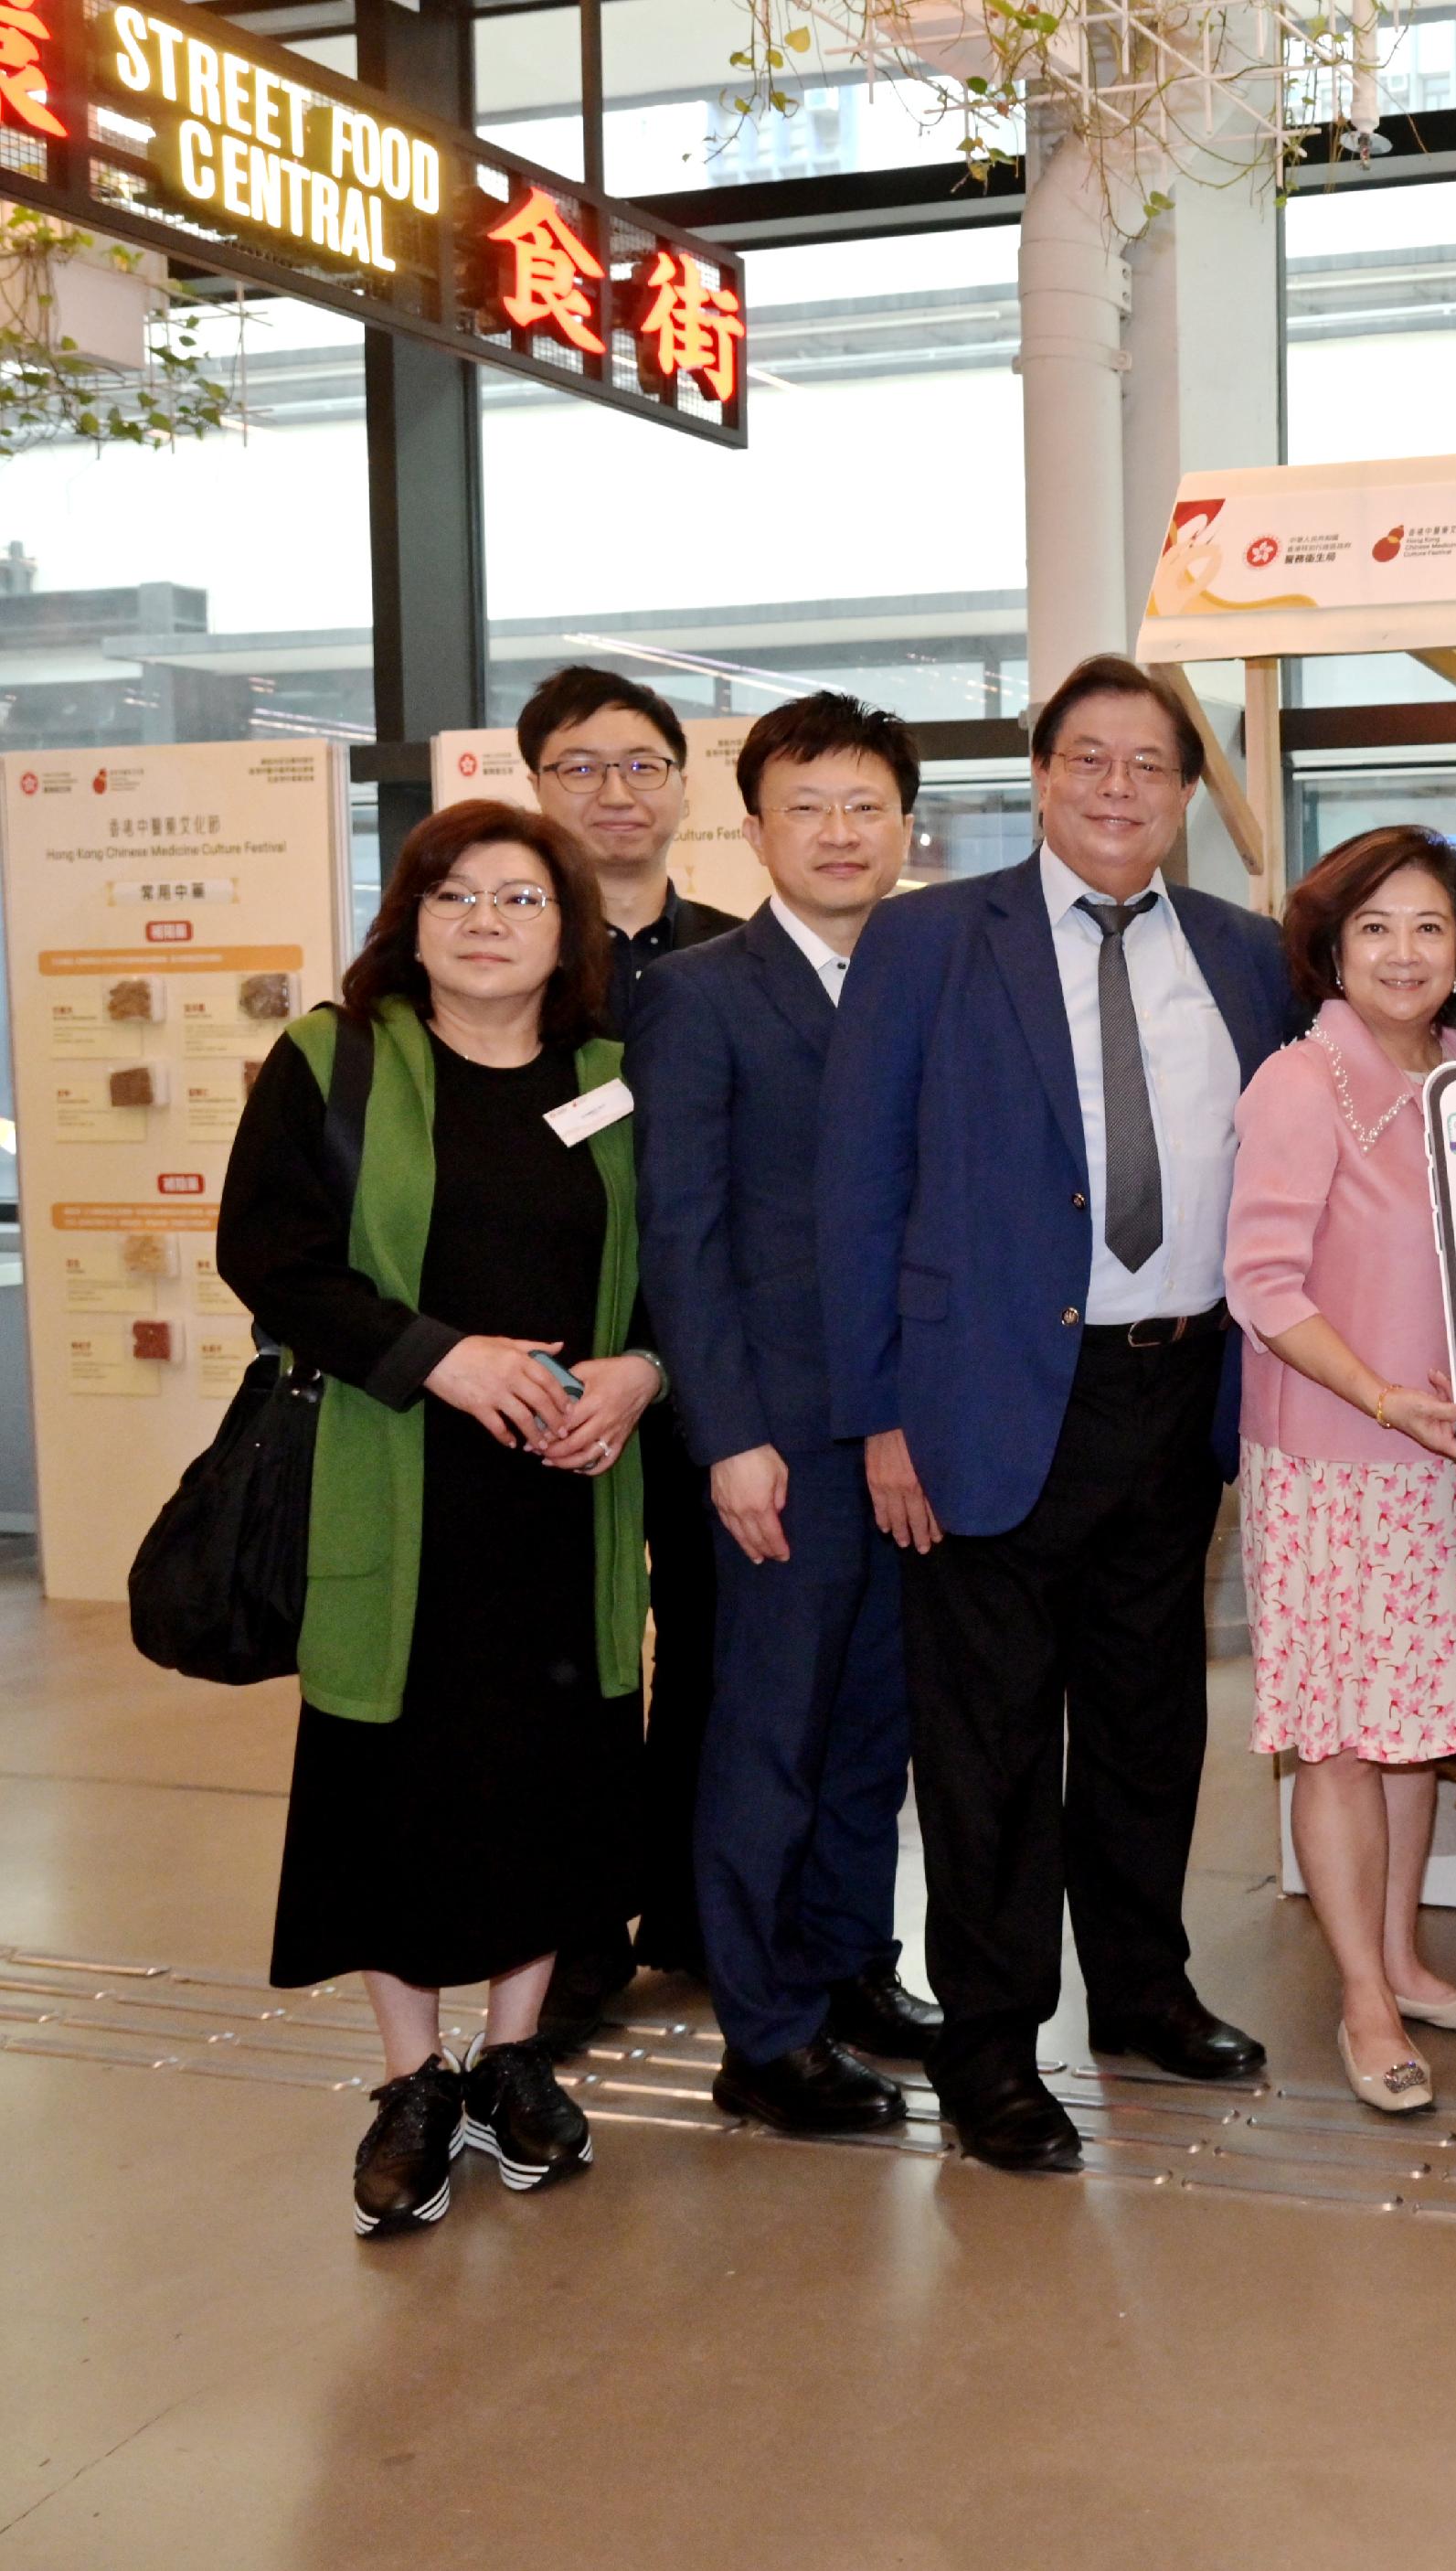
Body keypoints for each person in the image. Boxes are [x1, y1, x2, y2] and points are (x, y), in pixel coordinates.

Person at [818, 656, 1291, 2173]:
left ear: (1183, 794)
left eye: (1149, 765)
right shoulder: (928, 939)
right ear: (1039, 774)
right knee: (991, 1746)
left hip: (1178, 1386)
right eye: (1088, 759)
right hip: (984, 1403)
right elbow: (860, 1188)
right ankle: (994, 2045)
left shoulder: (1244, 952)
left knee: (1153, 1724)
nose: (1116, 789)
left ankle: (1145, 1990)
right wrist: (879, 1417)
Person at [220, 803, 661, 2235]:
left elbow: (676, 1267)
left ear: (566, 929)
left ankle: (515, 2057)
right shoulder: (333, 1061)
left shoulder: (614, 1076)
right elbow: (270, 1258)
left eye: (520, 898)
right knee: (389, 1778)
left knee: (549, 1770)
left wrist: (642, 1370)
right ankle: (413, 2081)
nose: (486, 920)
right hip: (395, 1475)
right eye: (455, 894)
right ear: (408, 917)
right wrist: (441, 1358)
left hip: (563, 1486)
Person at [631, 693, 940, 2136]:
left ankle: (851, 1969)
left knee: (876, 1722)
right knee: (769, 1734)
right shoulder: (699, 995)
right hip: (781, 1438)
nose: (838, 831)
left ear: (904, 826)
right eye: (807, 805)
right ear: (753, 828)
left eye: (864, 805)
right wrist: (729, 1438)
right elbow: (680, 1234)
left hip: (918, 1436)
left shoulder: (938, 974)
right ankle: (761, 2035)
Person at [1224, 827, 1456, 2113]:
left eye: (1430, 928)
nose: (1404, 953)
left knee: (1414, 1737)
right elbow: (1261, 1282)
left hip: (1452, 1464)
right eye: (1376, 929)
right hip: (1337, 1464)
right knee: (1344, 1744)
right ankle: (1359, 1996)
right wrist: (1383, 1396)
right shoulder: (1301, 1082)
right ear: (1332, 949)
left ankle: (1402, 1955)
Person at [522, 664, 740, 2041]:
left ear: (681, 782)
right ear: (536, 786)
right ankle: (573, 1939)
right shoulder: (508, 955)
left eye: (641, 763)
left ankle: (705, 1910)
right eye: (581, 767)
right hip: (554, 1381)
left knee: (724, 1653)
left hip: (711, 1371)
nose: (615, 792)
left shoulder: (735, 955)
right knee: (579, 1662)